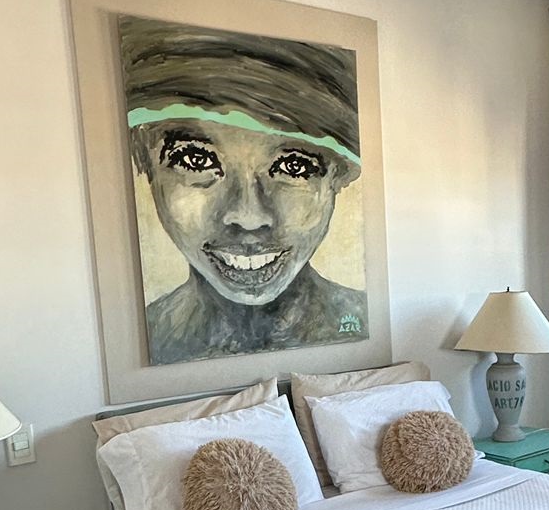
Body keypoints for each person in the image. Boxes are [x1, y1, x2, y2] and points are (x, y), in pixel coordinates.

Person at [122, 21, 368, 360]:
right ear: (144, 164)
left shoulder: (366, 319)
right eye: (196, 160)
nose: (249, 216)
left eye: (293, 166)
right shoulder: (144, 336)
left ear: (338, 176)